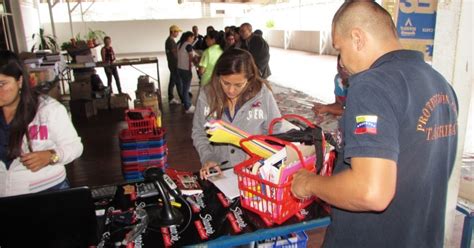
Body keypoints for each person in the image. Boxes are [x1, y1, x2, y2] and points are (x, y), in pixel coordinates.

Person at [291, 2, 458, 248]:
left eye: (340, 48)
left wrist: (309, 183)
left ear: (357, 38)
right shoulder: (440, 84)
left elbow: (371, 191)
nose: (343, 61)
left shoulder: (372, 85)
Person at [0, 51, 83, 197]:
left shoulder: (48, 110)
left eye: (2, 84)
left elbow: (75, 147)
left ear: (19, 81)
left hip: (47, 191)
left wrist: (51, 156)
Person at [192, 48, 282, 180]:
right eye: (225, 83)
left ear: (250, 78)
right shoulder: (207, 94)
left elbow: (275, 129)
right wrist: (208, 158)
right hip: (221, 170)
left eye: (239, 85)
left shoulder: (262, 94)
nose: (231, 90)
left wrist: (257, 152)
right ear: (218, 76)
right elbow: (199, 132)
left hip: (255, 170)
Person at [177, 31, 195, 114]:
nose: (193, 39)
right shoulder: (188, 45)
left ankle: (185, 102)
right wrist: (190, 68)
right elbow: (191, 58)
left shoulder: (180, 44)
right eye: (192, 38)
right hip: (185, 69)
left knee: (183, 87)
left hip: (179, 68)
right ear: (189, 37)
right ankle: (187, 107)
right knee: (186, 88)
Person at [165, 25, 182, 105]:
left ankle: (171, 97)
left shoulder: (170, 40)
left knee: (172, 82)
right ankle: (183, 99)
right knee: (178, 82)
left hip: (172, 64)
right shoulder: (170, 41)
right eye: (177, 32)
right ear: (172, 32)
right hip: (174, 64)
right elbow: (174, 53)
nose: (178, 34)